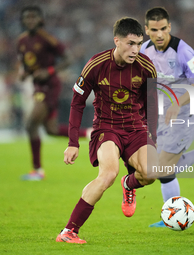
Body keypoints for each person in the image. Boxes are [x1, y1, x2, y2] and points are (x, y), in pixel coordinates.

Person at [56, 17, 158, 244]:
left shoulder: (146, 67)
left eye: (139, 44)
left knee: (151, 173)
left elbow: (152, 104)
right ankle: (69, 231)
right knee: (108, 174)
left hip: (135, 128)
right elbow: (77, 102)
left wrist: (154, 137)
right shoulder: (96, 64)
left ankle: (128, 183)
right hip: (106, 129)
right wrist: (73, 142)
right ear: (117, 41)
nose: (135, 49)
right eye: (131, 43)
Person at [140, 7, 194, 227]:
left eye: (163, 29)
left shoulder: (183, 51)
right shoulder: (144, 49)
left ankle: (170, 216)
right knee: (162, 167)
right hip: (162, 115)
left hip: (185, 114)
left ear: (169, 27)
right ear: (146, 30)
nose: (159, 34)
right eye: (154, 29)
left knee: (160, 169)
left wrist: (176, 103)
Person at [17, 5, 91, 181]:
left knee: (30, 124)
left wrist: (49, 71)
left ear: (40, 20)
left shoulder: (48, 39)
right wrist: (24, 73)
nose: (30, 21)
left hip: (50, 85)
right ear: (23, 20)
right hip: (38, 85)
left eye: (33, 17)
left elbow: (68, 59)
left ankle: (37, 171)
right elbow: (28, 65)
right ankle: (90, 133)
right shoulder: (21, 41)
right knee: (51, 130)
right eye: (27, 18)